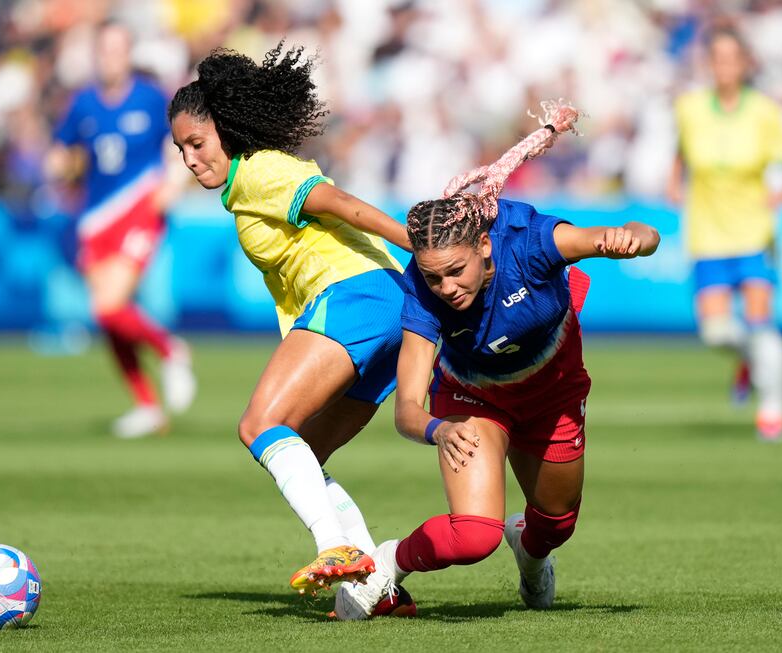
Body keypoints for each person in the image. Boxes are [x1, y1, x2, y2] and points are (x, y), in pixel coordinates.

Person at [334, 102, 660, 620]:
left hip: (553, 393)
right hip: (474, 399)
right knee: (473, 537)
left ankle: (530, 556)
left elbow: (636, 233)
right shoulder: (423, 291)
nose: (446, 288)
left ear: (485, 246)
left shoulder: (531, 242)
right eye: (433, 277)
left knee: (556, 523)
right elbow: (407, 407)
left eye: (455, 272)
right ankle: (386, 564)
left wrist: (633, 241)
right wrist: (438, 429)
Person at [167, 43, 415, 611]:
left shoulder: (259, 171)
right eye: (180, 148)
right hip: (384, 309)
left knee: (260, 424)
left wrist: (416, 243)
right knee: (300, 448)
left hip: (355, 296)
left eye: (197, 143)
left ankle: (336, 549)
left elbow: (338, 202)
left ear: (227, 131)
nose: (189, 159)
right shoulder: (245, 185)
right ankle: (373, 584)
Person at [46, 22, 196, 438]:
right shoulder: (83, 104)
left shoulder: (149, 98)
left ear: (128, 54)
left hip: (140, 208)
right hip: (96, 218)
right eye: (105, 49)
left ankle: (171, 349)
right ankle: (147, 407)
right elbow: (62, 151)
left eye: (118, 49)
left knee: (109, 305)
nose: (111, 57)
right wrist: (57, 166)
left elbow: (183, 141)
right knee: (107, 316)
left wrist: (175, 182)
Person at [668, 28, 782, 442]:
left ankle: (772, 414)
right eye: (718, 58)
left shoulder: (764, 112)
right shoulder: (690, 108)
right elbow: (682, 151)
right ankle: (748, 360)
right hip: (709, 235)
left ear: (745, 64)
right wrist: (674, 180)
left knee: (761, 322)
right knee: (715, 332)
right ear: (709, 64)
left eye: (733, 58)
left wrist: (780, 195)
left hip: (753, 233)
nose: (725, 66)